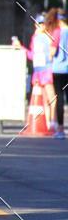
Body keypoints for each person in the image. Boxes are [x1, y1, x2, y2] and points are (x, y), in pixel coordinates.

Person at [15, 13, 57, 132]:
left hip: (47, 70)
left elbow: (52, 52)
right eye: (39, 24)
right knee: (44, 100)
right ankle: (49, 123)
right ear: (35, 24)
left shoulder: (49, 37)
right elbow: (32, 55)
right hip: (38, 71)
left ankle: (53, 122)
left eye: (43, 24)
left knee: (52, 98)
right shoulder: (35, 38)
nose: (41, 26)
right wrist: (21, 48)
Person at [51, 9, 68, 138]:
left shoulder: (57, 32)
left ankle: (61, 129)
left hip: (58, 69)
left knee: (60, 99)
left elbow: (52, 50)